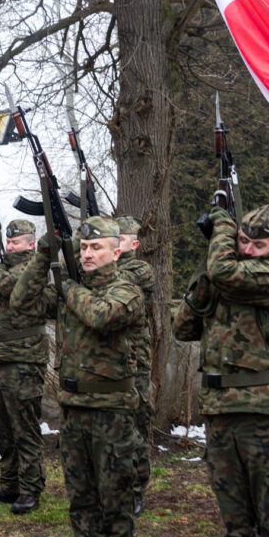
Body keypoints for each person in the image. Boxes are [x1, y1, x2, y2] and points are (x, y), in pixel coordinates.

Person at [173, 203, 269, 537]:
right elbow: (184, 326)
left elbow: (228, 273)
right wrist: (206, 272)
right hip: (220, 413)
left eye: (257, 244)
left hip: (263, 412)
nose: (246, 249)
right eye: (241, 241)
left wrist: (222, 229)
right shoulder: (225, 274)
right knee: (235, 519)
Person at [13, 217, 143, 537]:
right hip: (74, 413)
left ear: (116, 251)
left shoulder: (127, 290)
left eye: (96, 248)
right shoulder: (73, 289)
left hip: (112, 414)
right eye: (83, 249)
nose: (88, 255)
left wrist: (67, 284)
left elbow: (101, 316)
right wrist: (43, 255)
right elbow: (20, 301)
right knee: (82, 501)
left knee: (114, 501)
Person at [0, 219, 48, 515]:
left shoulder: (33, 268)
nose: (10, 246)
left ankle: (30, 489)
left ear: (31, 244)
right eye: (8, 241)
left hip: (23, 358)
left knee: (24, 429)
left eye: (16, 242)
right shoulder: (4, 264)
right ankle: (9, 483)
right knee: (3, 427)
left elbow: (3, 284)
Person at [114, 215, 156, 518]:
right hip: (109, 360)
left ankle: (136, 488)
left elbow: (116, 286)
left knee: (136, 426)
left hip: (136, 361)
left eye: (121, 237)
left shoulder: (139, 269)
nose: (114, 241)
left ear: (134, 243)